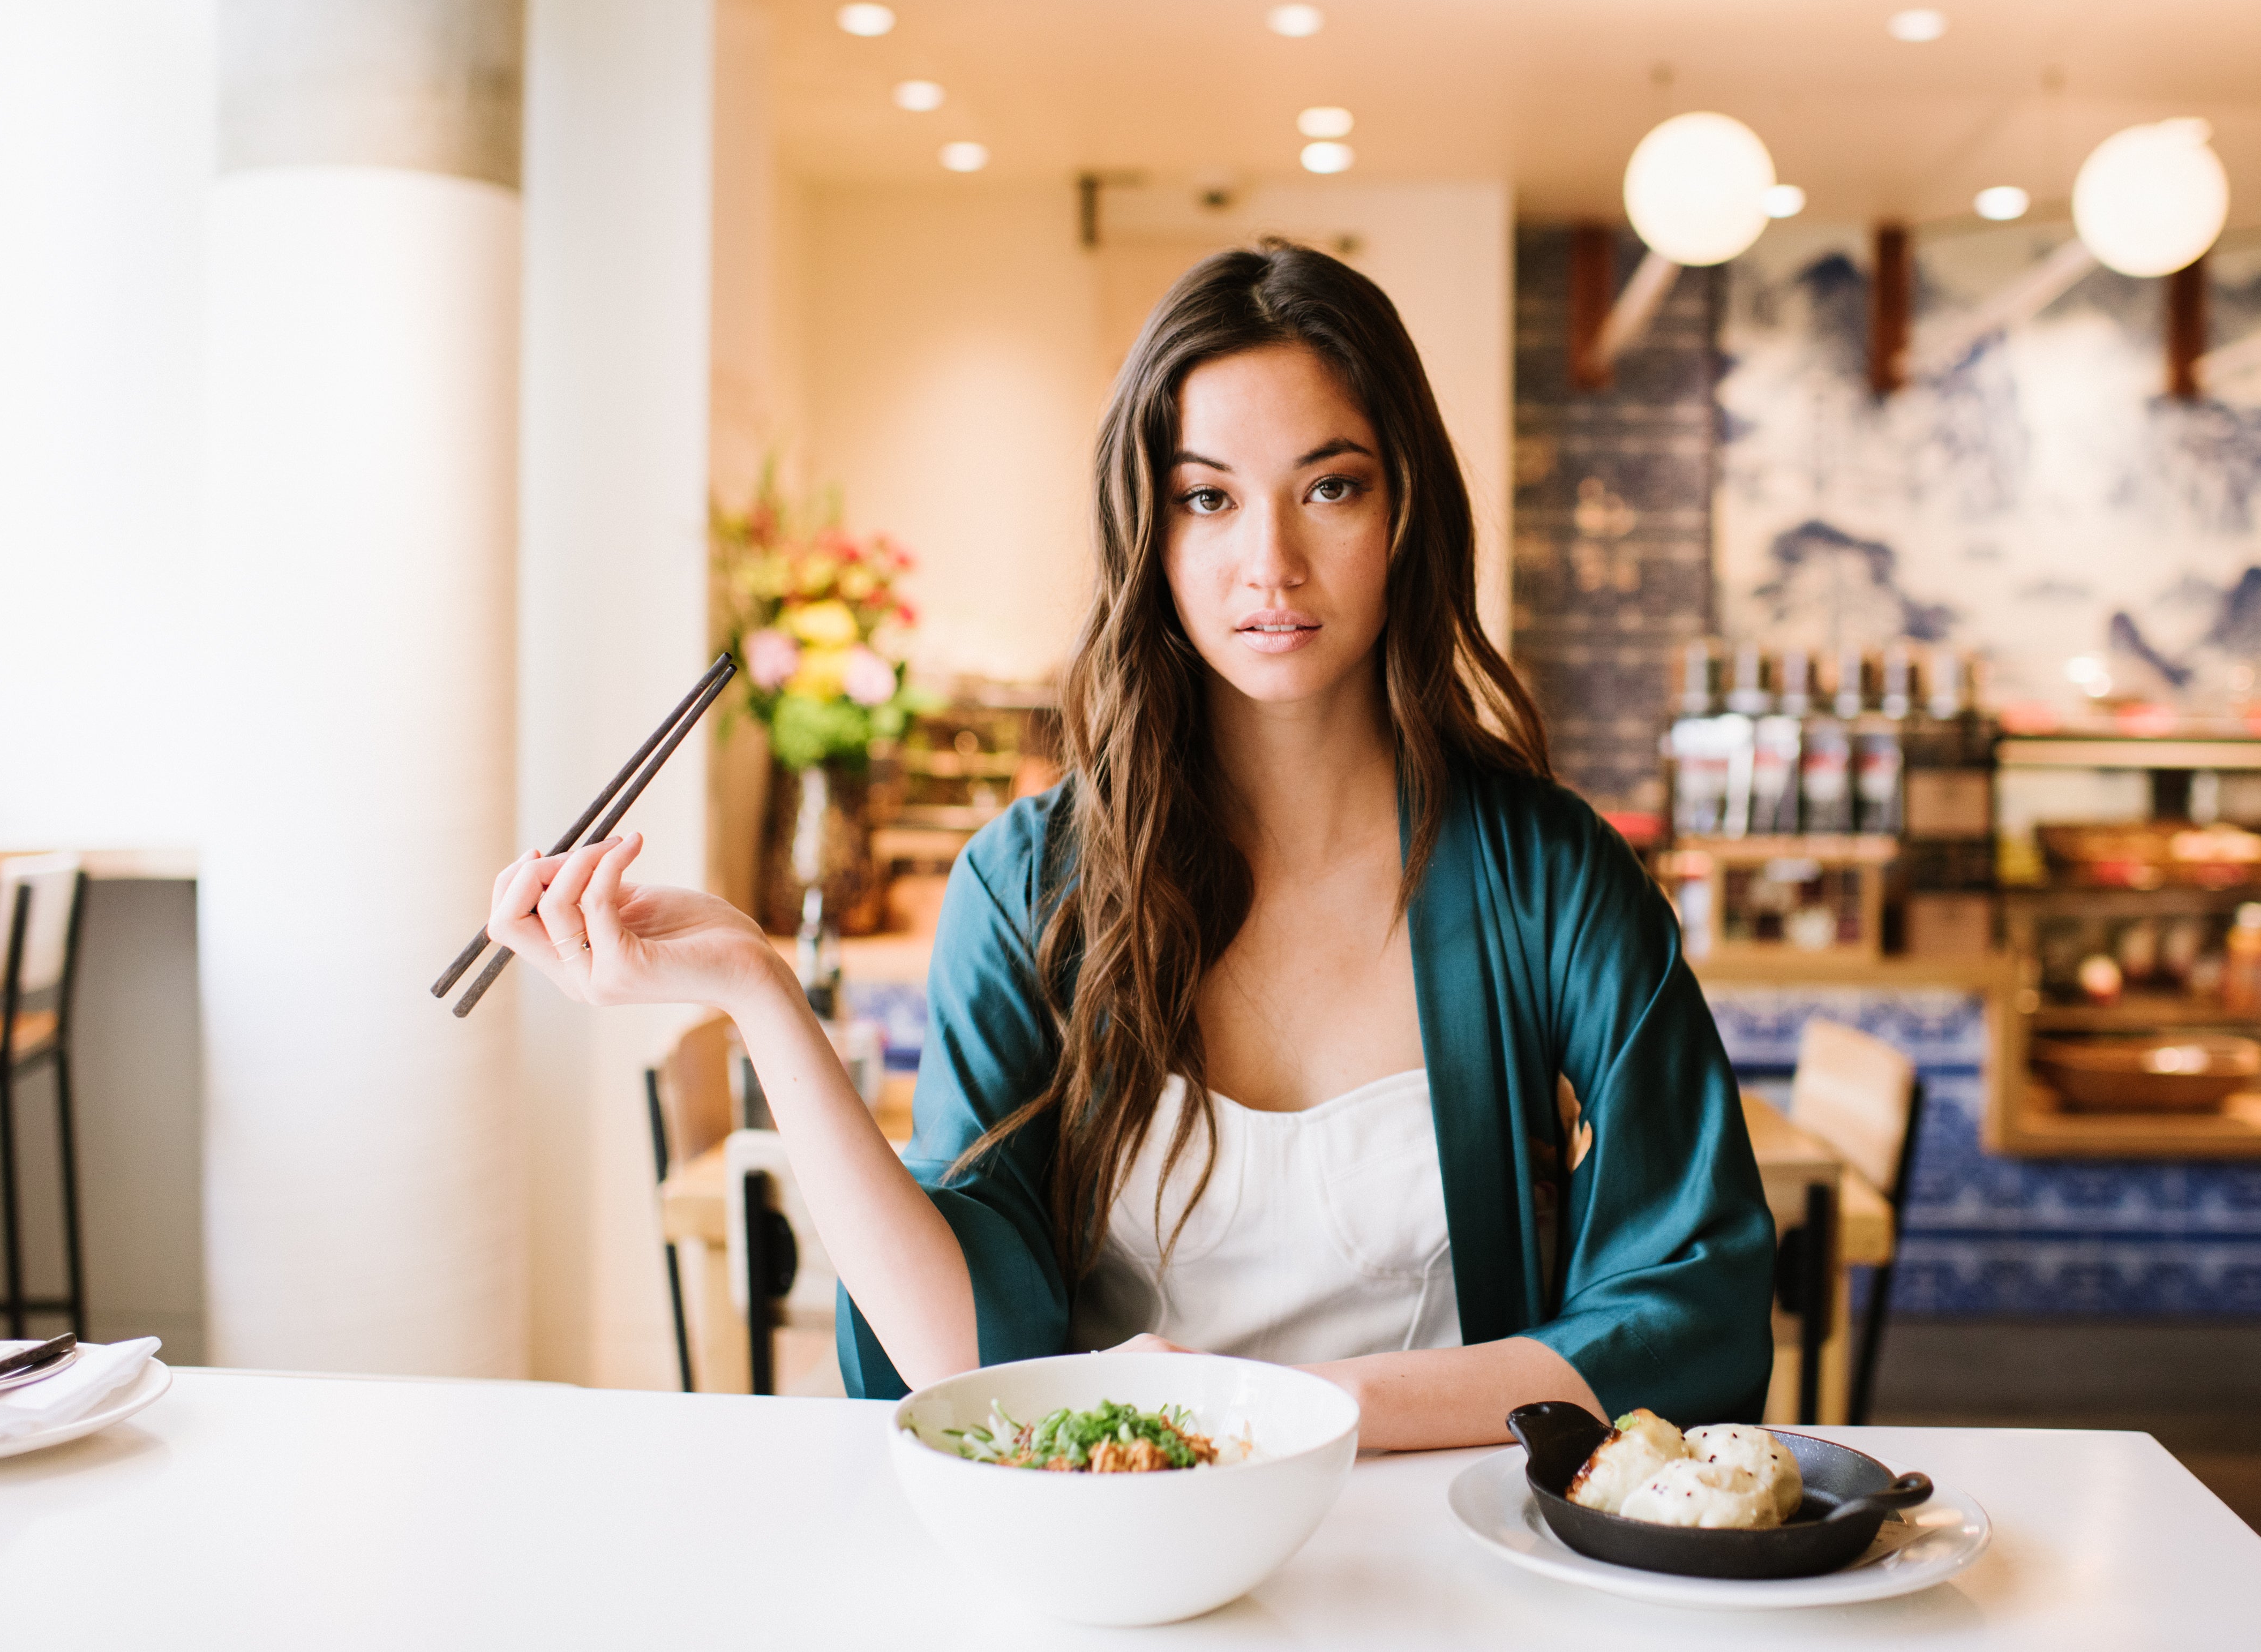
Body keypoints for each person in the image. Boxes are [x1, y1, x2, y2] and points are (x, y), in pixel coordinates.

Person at [487, 243, 1774, 1449]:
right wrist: (760, 995)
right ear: (1147, 537)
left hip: (1446, 1556)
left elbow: (1695, 1318)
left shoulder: (1548, 877)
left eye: (1330, 486)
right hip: (1114, 1564)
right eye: (1205, 499)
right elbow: (962, 1363)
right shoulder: (1033, 884)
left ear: (1405, 510)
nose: (1269, 562)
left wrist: (1293, 1408)